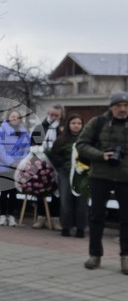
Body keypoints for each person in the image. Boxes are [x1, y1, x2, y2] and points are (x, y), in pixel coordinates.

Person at [78, 91, 128, 272]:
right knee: (97, 216)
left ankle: (125, 257)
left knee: (126, 218)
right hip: (100, 175)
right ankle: (95, 254)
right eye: (119, 106)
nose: (123, 109)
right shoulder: (97, 122)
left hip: (125, 178)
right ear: (111, 107)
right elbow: (81, 144)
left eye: (126, 105)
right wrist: (101, 155)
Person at [49, 114, 88, 238]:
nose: (76, 126)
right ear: (68, 125)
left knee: (82, 201)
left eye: (79, 123)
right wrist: (63, 165)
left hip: (82, 174)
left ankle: (80, 228)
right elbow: (54, 155)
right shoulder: (61, 140)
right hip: (65, 174)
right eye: (73, 123)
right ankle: (66, 226)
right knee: (66, 200)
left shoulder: (88, 140)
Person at [0, 108, 32, 227]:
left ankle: (12, 216)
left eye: (17, 116)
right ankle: (3, 216)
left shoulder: (24, 133)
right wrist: (11, 163)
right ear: (8, 118)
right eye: (12, 116)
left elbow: (27, 149)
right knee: (4, 192)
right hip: (3, 167)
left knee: (14, 192)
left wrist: (21, 163)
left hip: (18, 167)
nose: (15, 118)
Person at [30, 105, 63, 228]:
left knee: (57, 191)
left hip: (57, 163)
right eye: (51, 114)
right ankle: (41, 217)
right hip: (41, 162)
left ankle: (55, 218)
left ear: (61, 115)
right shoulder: (40, 127)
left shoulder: (62, 128)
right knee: (41, 189)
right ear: (48, 113)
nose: (53, 117)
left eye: (56, 115)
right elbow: (33, 142)